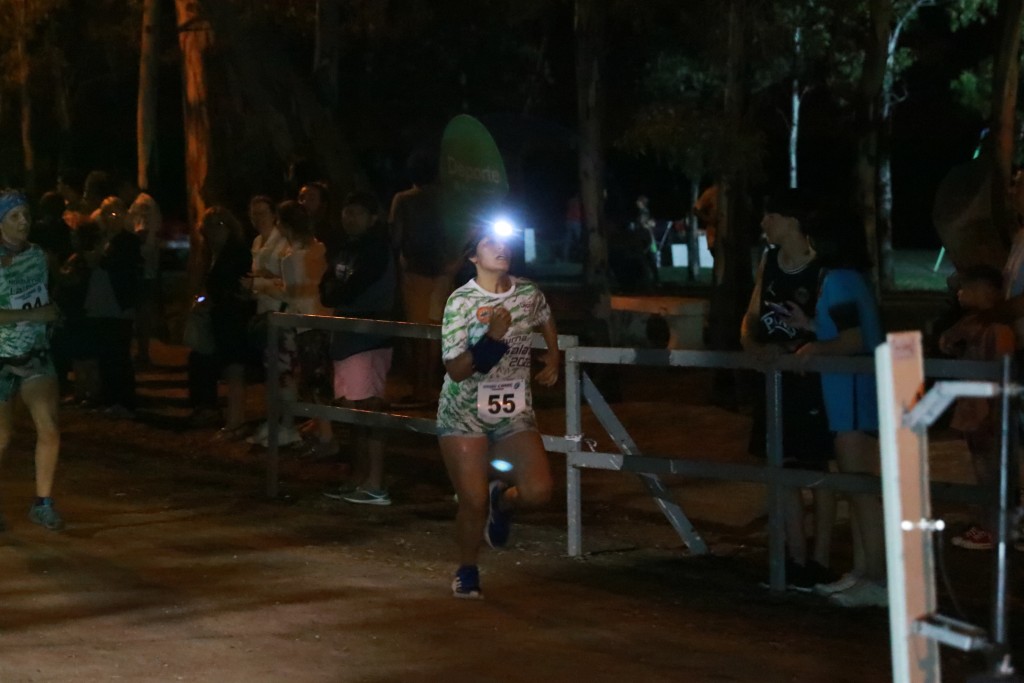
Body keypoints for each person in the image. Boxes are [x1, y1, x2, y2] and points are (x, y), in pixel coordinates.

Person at [437, 222, 560, 599]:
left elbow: (543, 314)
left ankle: (502, 502)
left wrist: (553, 354)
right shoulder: (461, 302)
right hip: (463, 413)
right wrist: (491, 339)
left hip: (513, 412)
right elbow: (456, 369)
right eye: (489, 242)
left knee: (539, 491)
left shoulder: (527, 292)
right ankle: (467, 569)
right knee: (472, 501)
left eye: (504, 240)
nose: (500, 246)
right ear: (474, 256)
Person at [784, 212, 887, 608]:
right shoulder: (850, 277)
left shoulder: (840, 279)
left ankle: (878, 578)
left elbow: (854, 339)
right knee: (857, 489)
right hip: (852, 395)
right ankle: (864, 573)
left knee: (860, 490)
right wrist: (812, 326)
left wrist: (815, 347)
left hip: (853, 396)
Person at [740, 189, 836, 591]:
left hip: (811, 381)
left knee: (818, 469)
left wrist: (802, 346)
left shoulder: (823, 267)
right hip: (775, 377)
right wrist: (753, 345)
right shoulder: (768, 260)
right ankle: (795, 559)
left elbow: (835, 329)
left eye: (771, 215)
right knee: (782, 466)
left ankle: (820, 560)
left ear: (792, 221)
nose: (764, 223)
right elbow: (751, 315)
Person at [320, 192, 396, 504]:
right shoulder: (345, 247)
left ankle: (375, 483)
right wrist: (336, 292)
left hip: (368, 338)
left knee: (369, 408)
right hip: (347, 336)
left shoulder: (377, 248)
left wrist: (338, 292)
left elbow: (352, 288)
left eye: (357, 213)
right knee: (354, 411)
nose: (350, 218)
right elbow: (327, 287)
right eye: (346, 212)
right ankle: (358, 476)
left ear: (372, 217)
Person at [0, 190, 65, 530]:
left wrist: (51, 312)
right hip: (0, 357)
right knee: (2, 436)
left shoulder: (38, 255)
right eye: (14, 216)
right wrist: (34, 314)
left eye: (26, 214)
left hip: (35, 355)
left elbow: (43, 298)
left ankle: (43, 503)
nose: (23, 221)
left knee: (49, 427)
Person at [939, 265, 1016, 550]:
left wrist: (992, 417)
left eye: (967, 288)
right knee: (982, 467)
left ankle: (995, 529)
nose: (961, 293)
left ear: (986, 291)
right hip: (975, 409)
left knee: (991, 471)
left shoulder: (997, 329)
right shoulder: (974, 325)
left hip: (987, 412)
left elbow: (1000, 377)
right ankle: (991, 525)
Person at [248, 200, 332, 449]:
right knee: (317, 378)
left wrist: (260, 284)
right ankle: (321, 431)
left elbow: (291, 293)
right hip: (323, 318)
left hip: (303, 323)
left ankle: (325, 437)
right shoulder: (318, 248)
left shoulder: (291, 256)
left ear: (284, 225)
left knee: (311, 381)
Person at [187, 207, 256, 434]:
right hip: (220, 318)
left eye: (219, 225)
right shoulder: (211, 254)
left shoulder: (235, 252)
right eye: (209, 227)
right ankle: (227, 417)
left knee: (235, 369)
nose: (213, 231)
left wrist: (214, 297)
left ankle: (236, 420)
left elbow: (235, 287)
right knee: (219, 365)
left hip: (233, 318)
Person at [390, 159, 450, 408]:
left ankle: (420, 389)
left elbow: (395, 237)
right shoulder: (448, 200)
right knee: (435, 331)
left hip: (414, 271)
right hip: (444, 272)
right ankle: (432, 388)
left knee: (417, 331)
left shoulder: (404, 200)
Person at [84, 197, 142, 418]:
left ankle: (124, 401)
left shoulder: (128, 240)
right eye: (107, 214)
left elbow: (119, 266)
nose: (111, 219)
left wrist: (100, 257)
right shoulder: (101, 238)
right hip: (100, 300)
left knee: (119, 352)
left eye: (116, 214)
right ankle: (109, 397)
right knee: (105, 352)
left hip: (118, 303)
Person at [128, 192, 162, 365]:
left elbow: (142, 232)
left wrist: (125, 243)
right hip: (147, 266)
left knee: (141, 311)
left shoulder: (142, 203)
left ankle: (142, 352)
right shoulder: (147, 202)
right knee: (142, 311)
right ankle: (142, 352)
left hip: (141, 267)